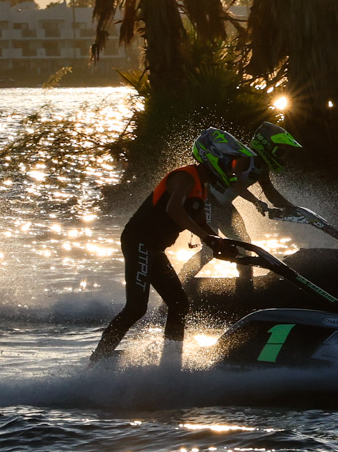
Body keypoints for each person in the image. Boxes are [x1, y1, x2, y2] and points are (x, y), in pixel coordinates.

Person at [90, 127, 254, 366]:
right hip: (139, 241)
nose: (233, 168)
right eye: (231, 162)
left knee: (179, 304)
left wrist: (226, 247)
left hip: (154, 248)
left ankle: (169, 365)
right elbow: (174, 210)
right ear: (214, 157)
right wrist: (208, 240)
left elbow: (200, 222)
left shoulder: (203, 186)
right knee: (136, 308)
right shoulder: (185, 177)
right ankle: (95, 364)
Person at [178, 122, 303, 288]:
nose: (282, 156)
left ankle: (245, 289)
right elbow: (234, 183)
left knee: (245, 245)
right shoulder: (243, 157)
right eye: (280, 152)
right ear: (267, 146)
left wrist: (291, 207)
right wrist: (255, 202)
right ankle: (179, 283)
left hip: (223, 206)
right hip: (207, 201)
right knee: (209, 251)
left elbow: (270, 192)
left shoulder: (262, 168)